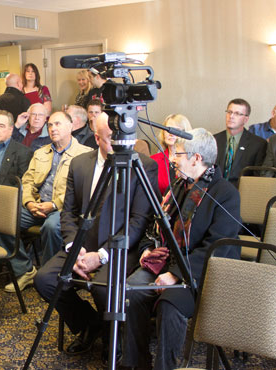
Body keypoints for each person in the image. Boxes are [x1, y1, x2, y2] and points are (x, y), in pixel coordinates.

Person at [33, 112, 157, 357]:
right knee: (45, 280)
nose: (120, 143)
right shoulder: (79, 164)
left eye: (123, 137)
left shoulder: (143, 165)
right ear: (97, 138)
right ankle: (91, 324)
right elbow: (69, 212)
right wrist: (73, 248)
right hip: (82, 245)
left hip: (121, 247)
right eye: (112, 138)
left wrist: (101, 256)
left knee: (103, 288)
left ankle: (115, 339)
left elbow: (139, 221)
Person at [122, 128, 241, 370]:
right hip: (169, 261)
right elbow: (158, 223)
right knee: (131, 291)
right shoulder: (181, 184)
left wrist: (175, 273)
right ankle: (135, 363)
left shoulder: (225, 194)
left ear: (196, 159)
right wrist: (148, 248)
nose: (172, 159)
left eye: (178, 154)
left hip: (203, 273)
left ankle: (165, 367)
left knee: (170, 304)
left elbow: (216, 248)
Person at [0, 111, 92, 293]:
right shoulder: (41, 152)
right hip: (37, 205)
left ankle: (50, 276)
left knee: (51, 227)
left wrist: (54, 204)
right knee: (3, 219)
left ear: (71, 126)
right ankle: (25, 270)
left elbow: (80, 191)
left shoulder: (85, 155)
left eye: (58, 124)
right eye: (50, 125)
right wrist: (29, 203)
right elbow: (27, 181)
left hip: (64, 209)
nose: (53, 128)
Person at [214, 98, 267, 187]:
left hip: (241, 193)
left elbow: (257, 178)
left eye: (237, 114)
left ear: (245, 119)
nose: (231, 116)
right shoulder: (214, 139)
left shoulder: (258, 144)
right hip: (214, 193)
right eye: (229, 112)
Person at [150, 114, 193, 195]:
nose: (171, 133)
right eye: (168, 129)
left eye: (176, 130)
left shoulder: (192, 162)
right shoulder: (153, 161)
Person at [0, 110, 32, 185]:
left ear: (11, 130)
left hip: (5, 195)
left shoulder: (23, 153)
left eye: (1, 126)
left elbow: (22, 184)